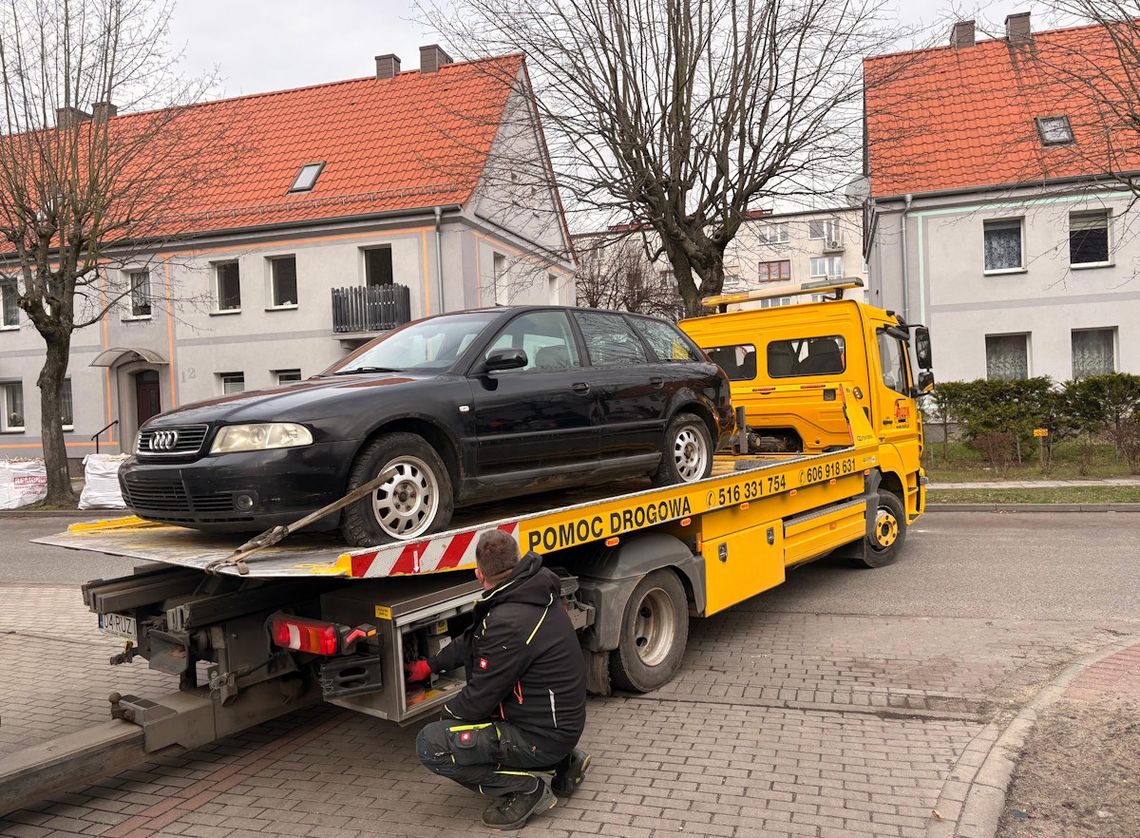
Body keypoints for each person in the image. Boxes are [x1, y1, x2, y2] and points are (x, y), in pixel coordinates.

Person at [408, 530, 590, 830]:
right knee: (469, 727)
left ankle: (527, 791)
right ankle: (565, 763)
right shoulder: (531, 593)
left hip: (543, 738)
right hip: (560, 727)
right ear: (516, 561)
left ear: (479, 574)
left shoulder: (509, 620)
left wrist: (445, 721)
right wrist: (430, 665)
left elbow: (481, 697)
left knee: (432, 744)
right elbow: (474, 640)